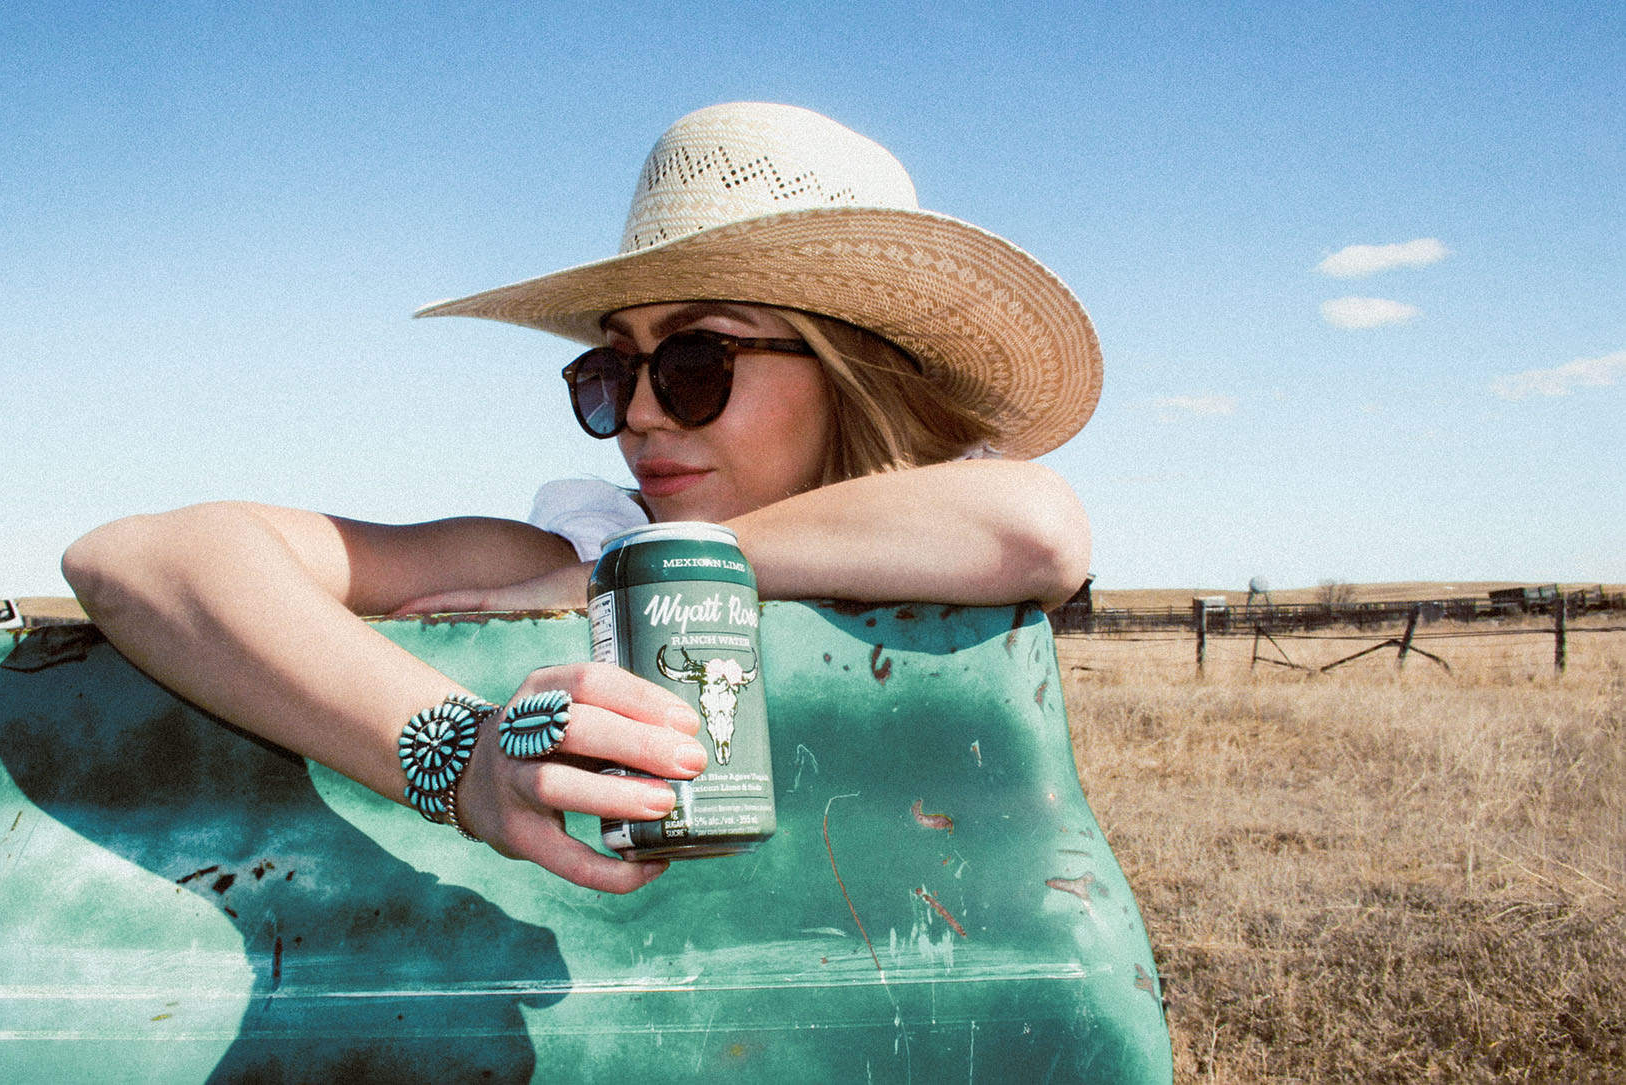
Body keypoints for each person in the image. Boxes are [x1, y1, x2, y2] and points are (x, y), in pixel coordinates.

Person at [62, 102, 1102, 894]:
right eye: (612, 374)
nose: (642, 412)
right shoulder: (572, 537)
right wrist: (462, 758)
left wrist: (620, 577)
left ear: (850, 370)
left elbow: (1034, 528)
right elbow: (140, 555)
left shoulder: (594, 559)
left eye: (693, 361)